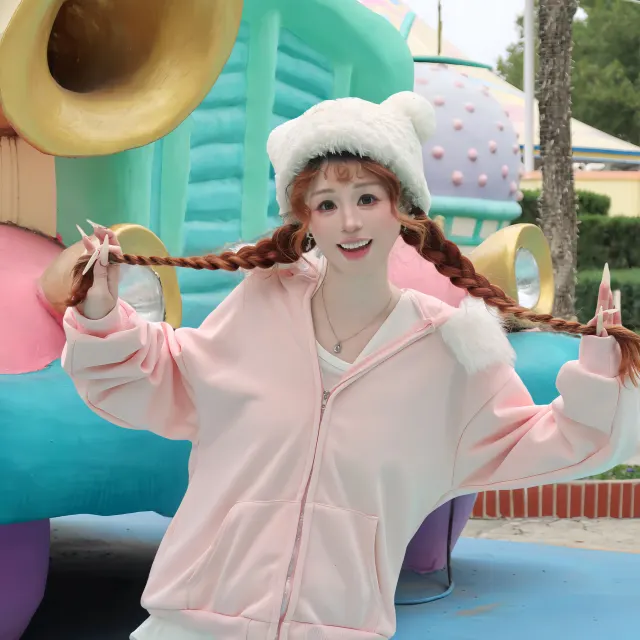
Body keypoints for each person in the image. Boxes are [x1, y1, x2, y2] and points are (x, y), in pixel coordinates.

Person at [62, 92, 640, 640]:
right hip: (193, 623)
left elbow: (548, 440)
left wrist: (600, 373)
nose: (349, 222)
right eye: (327, 204)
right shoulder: (262, 304)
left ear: (402, 210)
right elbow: (165, 375)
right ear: (306, 220)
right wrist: (101, 312)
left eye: (367, 198)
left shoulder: (450, 350)